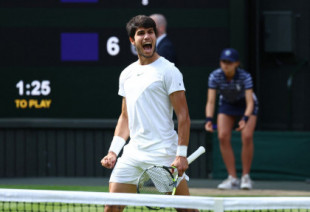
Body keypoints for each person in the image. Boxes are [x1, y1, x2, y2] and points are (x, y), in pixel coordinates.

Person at [101, 15, 194, 212]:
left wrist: (181, 155)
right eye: (141, 33)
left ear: (155, 36)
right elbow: (125, 117)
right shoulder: (126, 74)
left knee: (186, 210)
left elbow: (183, 115)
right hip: (132, 155)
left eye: (150, 32)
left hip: (164, 154)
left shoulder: (169, 71)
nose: (146, 37)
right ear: (132, 40)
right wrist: (113, 151)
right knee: (111, 207)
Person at [204, 48, 258, 190]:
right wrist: (209, 119)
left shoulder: (245, 76)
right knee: (222, 136)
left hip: (246, 105)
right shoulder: (214, 76)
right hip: (227, 104)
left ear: (236, 64)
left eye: (229, 62)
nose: (226, 65)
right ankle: (232, 178)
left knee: (246, 136)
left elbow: (250, 102)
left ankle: (246, 177)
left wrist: (245, 118)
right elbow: (210, 101)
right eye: (223, 61)